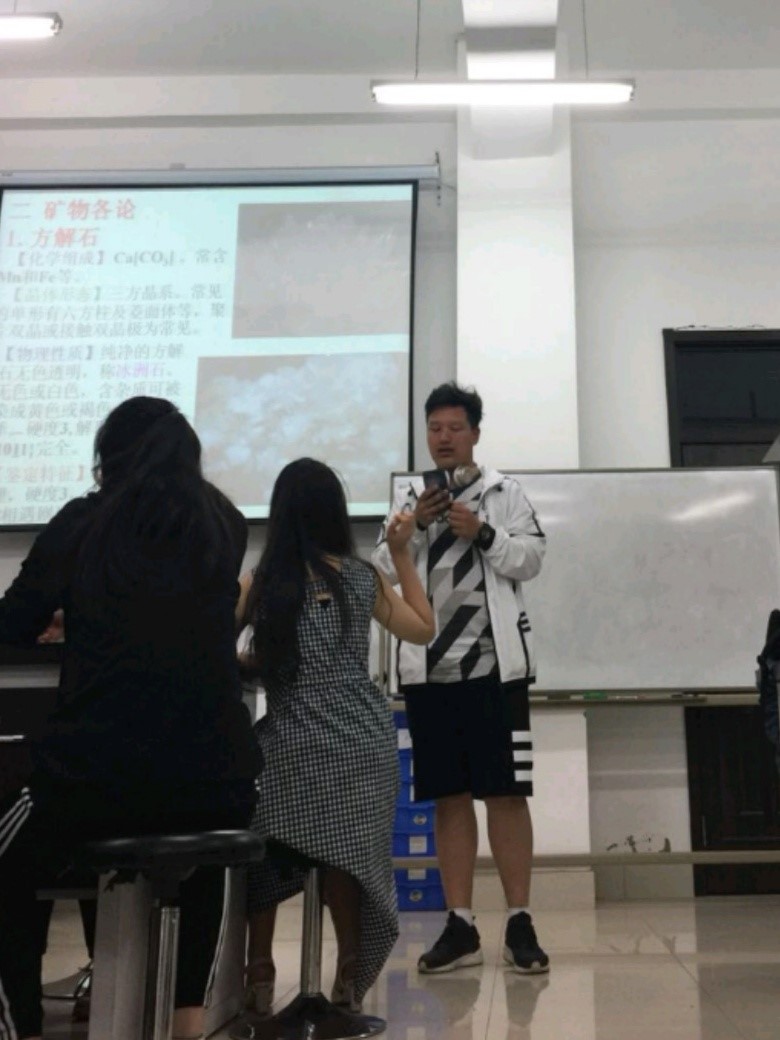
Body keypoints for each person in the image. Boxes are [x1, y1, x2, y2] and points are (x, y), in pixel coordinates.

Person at [0, 396, 262, 1040]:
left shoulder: (82, 522)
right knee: (202, 841)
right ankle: (187, 1021)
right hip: (219, 781)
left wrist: (69, 614)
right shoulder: (224, 524)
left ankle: (22, 1021)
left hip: (97, 778)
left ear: (107, 458)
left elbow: (13, 622)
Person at [234, 457, 434, 1022]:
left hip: (289, 746)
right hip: (362, 745)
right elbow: (423, 628)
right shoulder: (360, 577)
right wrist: (401, 555)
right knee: (345, 855)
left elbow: (210, 647)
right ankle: (348, 972)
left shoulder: (260, 582)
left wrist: (258, 664)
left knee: (263, 848)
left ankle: (258, 971)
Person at [371, 382, 549, 975]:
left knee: (506, 794)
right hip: (430, 672)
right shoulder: (408, 499)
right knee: (447, 797)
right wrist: (411, 532)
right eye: (434, 428)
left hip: (496, 672)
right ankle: (461, 923)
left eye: (454, 428)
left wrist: (485, 533)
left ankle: (519, 920)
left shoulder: (505, 492)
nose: (443, 438)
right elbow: (379, 571)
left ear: (475, 433)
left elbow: (532, 558)